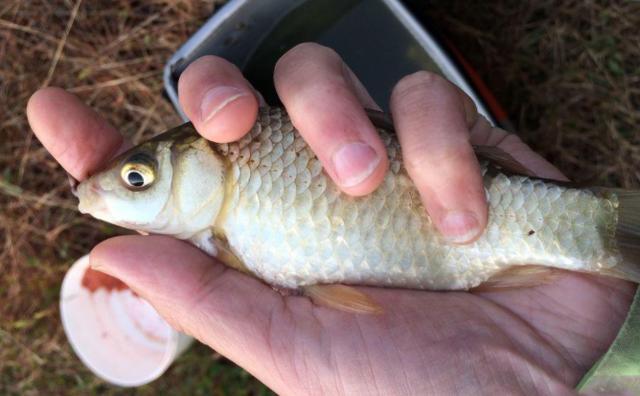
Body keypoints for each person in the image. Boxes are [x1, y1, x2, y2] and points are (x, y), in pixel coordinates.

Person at [27, 43, 633, 394]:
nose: (121, 190)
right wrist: (608, 368)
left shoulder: (226, 229)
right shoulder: (215, 248)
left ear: (206, 171)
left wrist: (621, 351)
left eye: (139, 178)